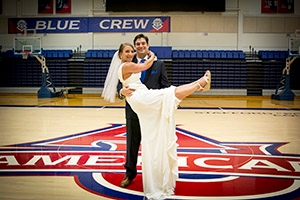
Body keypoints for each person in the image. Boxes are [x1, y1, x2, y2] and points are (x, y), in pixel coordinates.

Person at [102, 42, 211, 200]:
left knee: (167, 96)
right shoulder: (131, 66)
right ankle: (199, 84)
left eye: (133, 50)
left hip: (147, 98)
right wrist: (151, 55)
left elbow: (161, 82)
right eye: (127, 51)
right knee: (134, 142)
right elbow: (141, 69)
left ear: (145, 45)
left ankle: (198, 85)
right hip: (139, 101)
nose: (131, 53)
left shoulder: (146, 65)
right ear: (120, 55)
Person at [117, 34, 170, 189]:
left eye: (143, 43)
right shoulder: (127, 63)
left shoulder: (159, 64)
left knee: (153, 144)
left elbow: (165, 86)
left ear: (147, 45)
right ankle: (129, 174)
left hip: (152, 112)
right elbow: (119, 86)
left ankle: (154, 174)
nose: (140, 46)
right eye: (137, 44)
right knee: (132, 144)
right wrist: (121, 92)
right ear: (134, 48)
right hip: (133, 111)